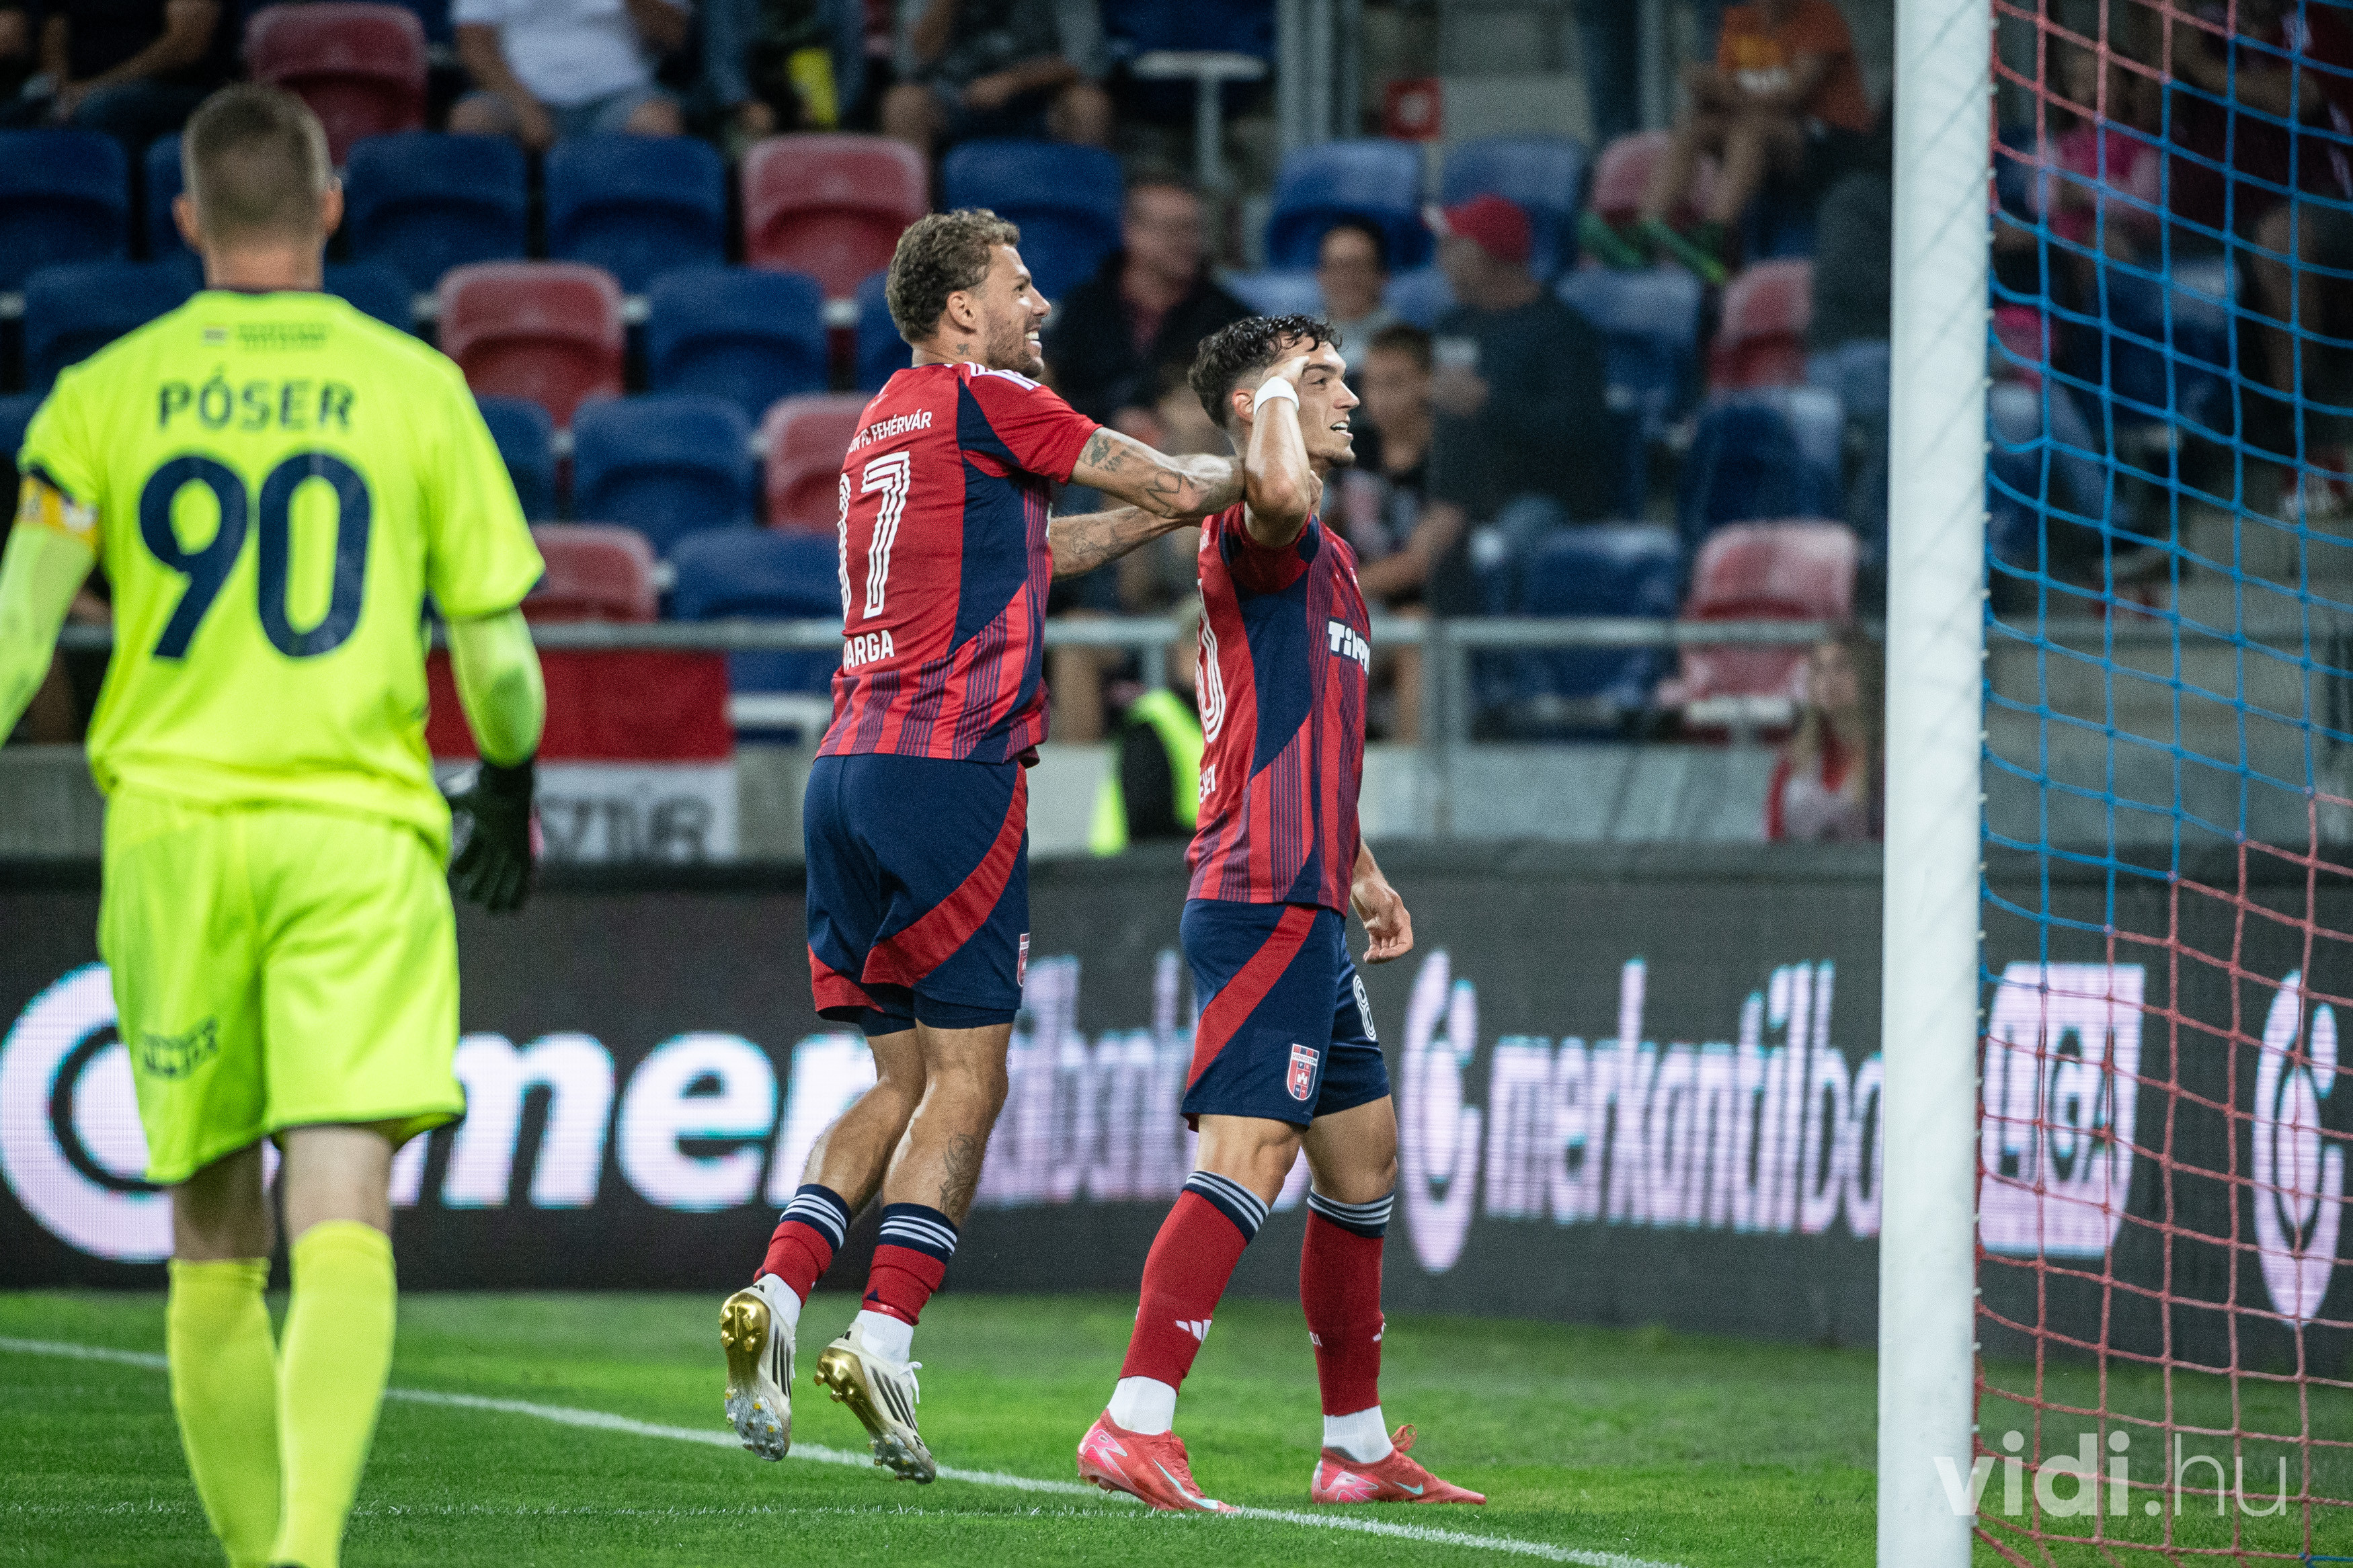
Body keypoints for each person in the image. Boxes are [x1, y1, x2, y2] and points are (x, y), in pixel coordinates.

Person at [0, 85, 547, 1568]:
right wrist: (507, 780)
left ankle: (263, 1559)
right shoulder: (414, 387)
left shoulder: (101, 394)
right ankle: (307, 1551)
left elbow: (18, 638)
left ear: (186, 219)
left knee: (211, 1225)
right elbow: (501, 667)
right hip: (355, 835)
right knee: (343, 1195)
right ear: (330, 209)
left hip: (173, 838)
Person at [718, 208, 1244, 1483]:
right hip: (950, 769)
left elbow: (1034, 553)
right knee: (972, 1077)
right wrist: (1266, 461)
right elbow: (1179, 482)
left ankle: (777, 1293)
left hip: (847, 770)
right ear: (963, 310)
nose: (1041, 305)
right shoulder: (991, 398)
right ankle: (885, 1336)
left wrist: (1154, 522)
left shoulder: (882, 427)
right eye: (1019, 285)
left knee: (896, 1078)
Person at [1072, 314, 1483, 1513]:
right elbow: (1278, 490)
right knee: (1248, 1154)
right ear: (1261, 406)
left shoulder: (1334, 559)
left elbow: (1305, 730)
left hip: (1309, 889)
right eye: (1322, 379)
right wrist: (1271, 408)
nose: (1348, 395)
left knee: (1362, 1159)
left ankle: (1353, 1444)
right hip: (1257, 893)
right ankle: (1133, 1420)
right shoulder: (1266, 528)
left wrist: (1362, 868)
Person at [1417, 196, 1613, 613]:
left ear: (1487, 257)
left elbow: (1580, 431)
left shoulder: (1564, 332)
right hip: (1455, 492)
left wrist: (1488, 403)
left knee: (1502, 546)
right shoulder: (1452, 325)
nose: (1440, 259)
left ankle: (1502, 654)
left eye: (1452, 246)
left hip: (1538, 495)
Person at [1586, 0, 1872, 285]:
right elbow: (1729, 91)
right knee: (1693, 125)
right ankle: (1646, 230)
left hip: (1830, 144)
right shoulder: (1742, 20)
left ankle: (1714, 237)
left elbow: (1792, 95)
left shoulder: (1819, 15)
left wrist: (1723, 90)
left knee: (1752, 128)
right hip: (1769, 132)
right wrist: (1705, 88)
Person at [1043, 174, 1252, 435]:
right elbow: (1057, 386)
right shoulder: (1086, 306)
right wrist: (1111, 417)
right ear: (1132, 231)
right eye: (1173, 229)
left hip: (1183, 452)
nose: (1189, 241)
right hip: (1085, 444)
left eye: (1196, 229)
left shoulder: (1230, 318)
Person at [1337, 323, 1434, 739]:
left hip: (1426, 609)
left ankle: (1408, 769)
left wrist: (1332, 587)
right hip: (1356, 602)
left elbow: (1418, 563)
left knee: (1413, 627)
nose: (1379, 397)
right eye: (1372, 384)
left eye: (1394, 383)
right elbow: (1320, 523)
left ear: (1428, 383)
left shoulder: (1450, 455)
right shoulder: (1351, 446)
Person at [880, 0, 1109, 163]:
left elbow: (1084, 60)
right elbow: (910, 62)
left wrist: (1015, 81)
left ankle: (1082, 213)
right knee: (903, 104)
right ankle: (917, 215)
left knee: (1088, 105)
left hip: (1040, 99)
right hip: (953, 99)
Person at [448, 0, 689, 149]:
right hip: (517, 95)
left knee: (658, 122)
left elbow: (676, 36)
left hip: (620, 97)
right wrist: (524, 109)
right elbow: (474, 45)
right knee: (473, 119)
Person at [3, 0, 228, 145]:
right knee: (11, 118)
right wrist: (60, 89)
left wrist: (93, 89)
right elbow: (56, 28)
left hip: (171, 91)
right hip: (78, 94)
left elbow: (187, 44)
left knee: (102, 110)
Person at [1086, 597, 1203, 855]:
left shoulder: (1223, 723)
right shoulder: (1153, 722)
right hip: (1130, 874)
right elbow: (1148, 830)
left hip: (1188, 870)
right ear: (1183, 653)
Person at [701, 0, 866, 147]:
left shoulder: (844, 4)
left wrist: (824, 113)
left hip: (822, 104)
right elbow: (721, 62)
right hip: (753, 101)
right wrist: (745, 105)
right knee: (745, 145)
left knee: (832, 151)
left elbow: (851, 69)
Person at [1766, 632, 1881, 842]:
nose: (1829, 679)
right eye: (1820, 669)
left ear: (1866, 674)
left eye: (1841, 667)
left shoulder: (1887, 757)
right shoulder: (1795, 757)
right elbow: (1773, 835)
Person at [1314, 220, 1396, 374]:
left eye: (1358, 265)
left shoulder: (1405, 343)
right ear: (1320, 276)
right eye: (1337, 266)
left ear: (1383, 275)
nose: (1347, 277)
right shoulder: (1300, 342)